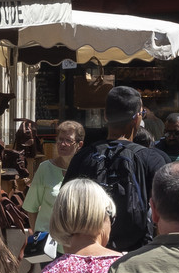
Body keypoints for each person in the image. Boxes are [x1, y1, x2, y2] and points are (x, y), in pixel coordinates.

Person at [65, 85, 168, 251]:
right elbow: (166, 214)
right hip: (137, 256)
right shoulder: (151, 159)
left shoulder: (82, 157)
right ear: (137, 119)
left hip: (89, 252)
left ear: (105, 116)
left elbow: (66, 206)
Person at [22, 118, 85, 236]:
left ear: (79, 145)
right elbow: (31, 207)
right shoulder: (45, 168)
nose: (62, 144)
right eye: (60, 139)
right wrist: (38, 235)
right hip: (47, 243)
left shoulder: (85, 171)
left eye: (68, 140)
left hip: (74, 244)